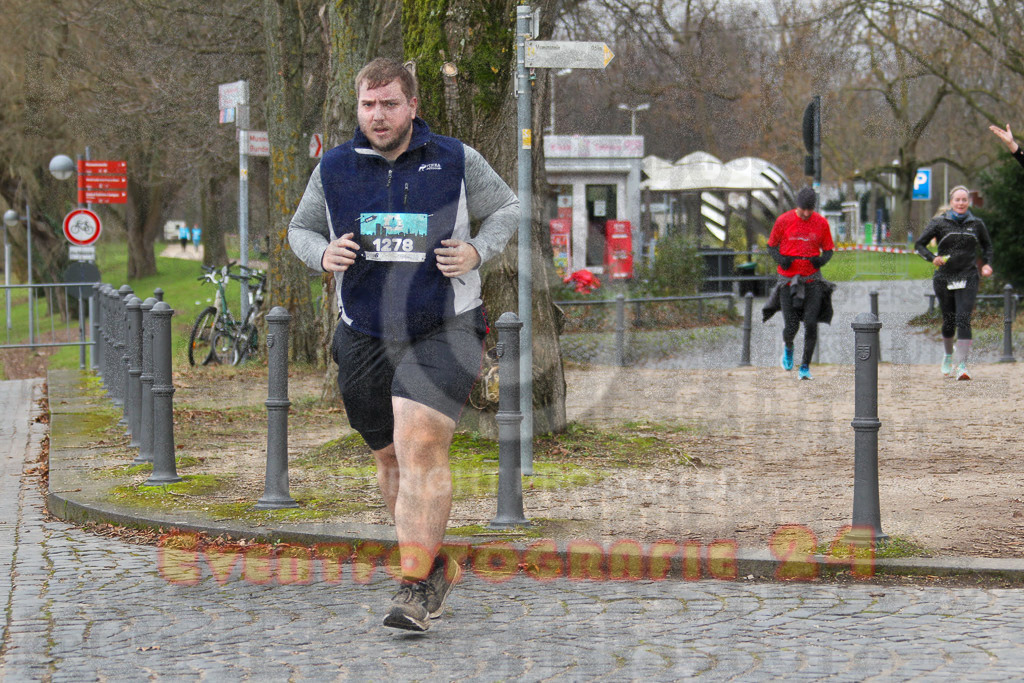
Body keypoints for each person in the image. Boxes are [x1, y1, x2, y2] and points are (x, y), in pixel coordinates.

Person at [287, 57, 518, 632]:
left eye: (390, 103)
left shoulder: (456, 159)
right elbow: (299, 228)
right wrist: (320, 253)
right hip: (363, 328)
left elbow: (508, 208)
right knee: (388, 455)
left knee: (419, 445)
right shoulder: (335, 166)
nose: (378, 115)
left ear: (413, 105)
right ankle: (435, 563)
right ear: (357, 107)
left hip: (445, 323)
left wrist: (478, 250)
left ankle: (413, 586)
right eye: (368, 104)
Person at [914, 185, 993, 380]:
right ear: (951, 203)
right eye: (957, 200)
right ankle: (948, 355)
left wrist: (987, 265)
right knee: (949, 320)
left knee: (963, 318)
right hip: (945, 277)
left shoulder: (977, 224)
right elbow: (919, 245)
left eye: (964, 200)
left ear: (968, 202)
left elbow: (987, 246)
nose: (960, 203)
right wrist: (932, 258)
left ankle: (962, 365)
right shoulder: (939, 223)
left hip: (968, 276)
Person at [766, 187, 835, 380]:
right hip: (788, 281)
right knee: (791, 326)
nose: (806, 213)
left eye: (810, 210)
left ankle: (804, 367)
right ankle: (788, 347)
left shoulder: (821, 223)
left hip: (812, 280)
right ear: (798, 206)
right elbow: (771, 247)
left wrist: (820, 261)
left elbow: (829, 250)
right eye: (803, 209)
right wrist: (781, 259)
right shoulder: (783, 221)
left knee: (811, 324)